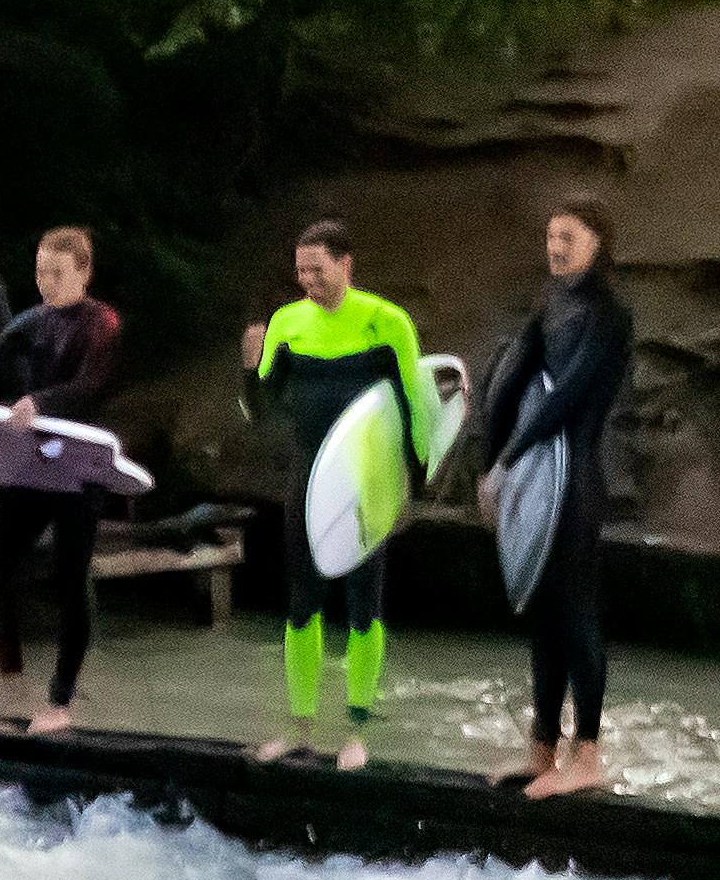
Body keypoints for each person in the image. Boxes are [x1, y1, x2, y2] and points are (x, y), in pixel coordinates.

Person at [240, 216, 441, 771]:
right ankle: (300, 727)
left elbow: (414, 413)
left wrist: (410, 487)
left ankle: (356, 733)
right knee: (301, 605)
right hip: (306, 478)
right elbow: (259, 411)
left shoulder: (386, 322)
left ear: (346, 264)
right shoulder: (288, 323)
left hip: (369, 479)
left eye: (318, 269)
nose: (309, 281)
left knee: (362, 607)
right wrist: (249, 366)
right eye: (301, 271)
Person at [0, 225, 126, 732]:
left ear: (84, 272)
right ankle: (11, 685)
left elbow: (91, 384)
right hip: (32, 464)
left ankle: (60, 701)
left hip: (80, 467)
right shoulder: (30, 323)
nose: (46, 282)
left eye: (57, 273)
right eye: (40, 271)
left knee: (68, 579)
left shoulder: (102, 323)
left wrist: (41, 402)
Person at [476, 193, 635, 801]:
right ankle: (542, 750)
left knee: (574, 613)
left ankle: (587, 753)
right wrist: (490, 463)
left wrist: (509, 462)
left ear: (598, 241)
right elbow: (511, 384)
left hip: (576, 487)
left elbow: (564, 398)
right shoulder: (550, 309)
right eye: (550, 236)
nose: (556, 247)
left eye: (568, 236)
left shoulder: (608, 316)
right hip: (538, 485)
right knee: (544, 620)